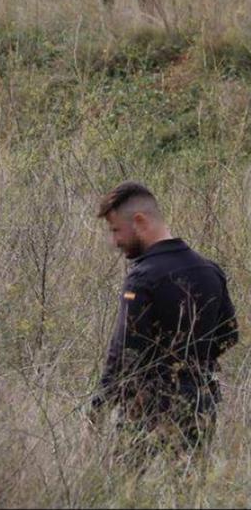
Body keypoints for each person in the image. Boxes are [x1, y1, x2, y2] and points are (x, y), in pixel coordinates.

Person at [89, 182, 238, 455]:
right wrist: (194, 366)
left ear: (139, 221)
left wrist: (100, 403)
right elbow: (229, 335)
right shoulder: (210, 271)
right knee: (189, 491)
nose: (114, 242)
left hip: (147, 410)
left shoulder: (143, 277)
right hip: (200, 407)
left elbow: (125, 349)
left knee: (130, 492)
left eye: (115, 230)